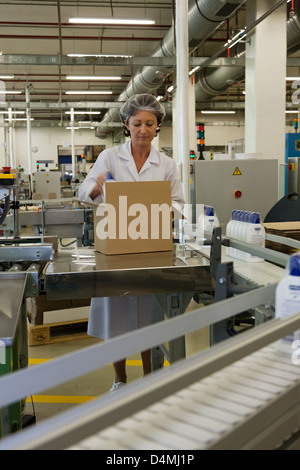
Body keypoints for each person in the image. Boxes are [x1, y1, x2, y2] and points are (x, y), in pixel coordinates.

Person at [78, 93, 185, 391]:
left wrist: (158, 209)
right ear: (126, 124)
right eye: (137, 123)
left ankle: (151, 379)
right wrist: (95, 189)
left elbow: (178, 203)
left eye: (149, 123)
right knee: (118, 318)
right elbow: (83, 191)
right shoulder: (110, 157)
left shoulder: (166, 164)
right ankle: (120, 380)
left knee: (150, 319)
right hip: (117, 250)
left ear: (157, 126)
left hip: (152, 248)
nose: (143, 129)